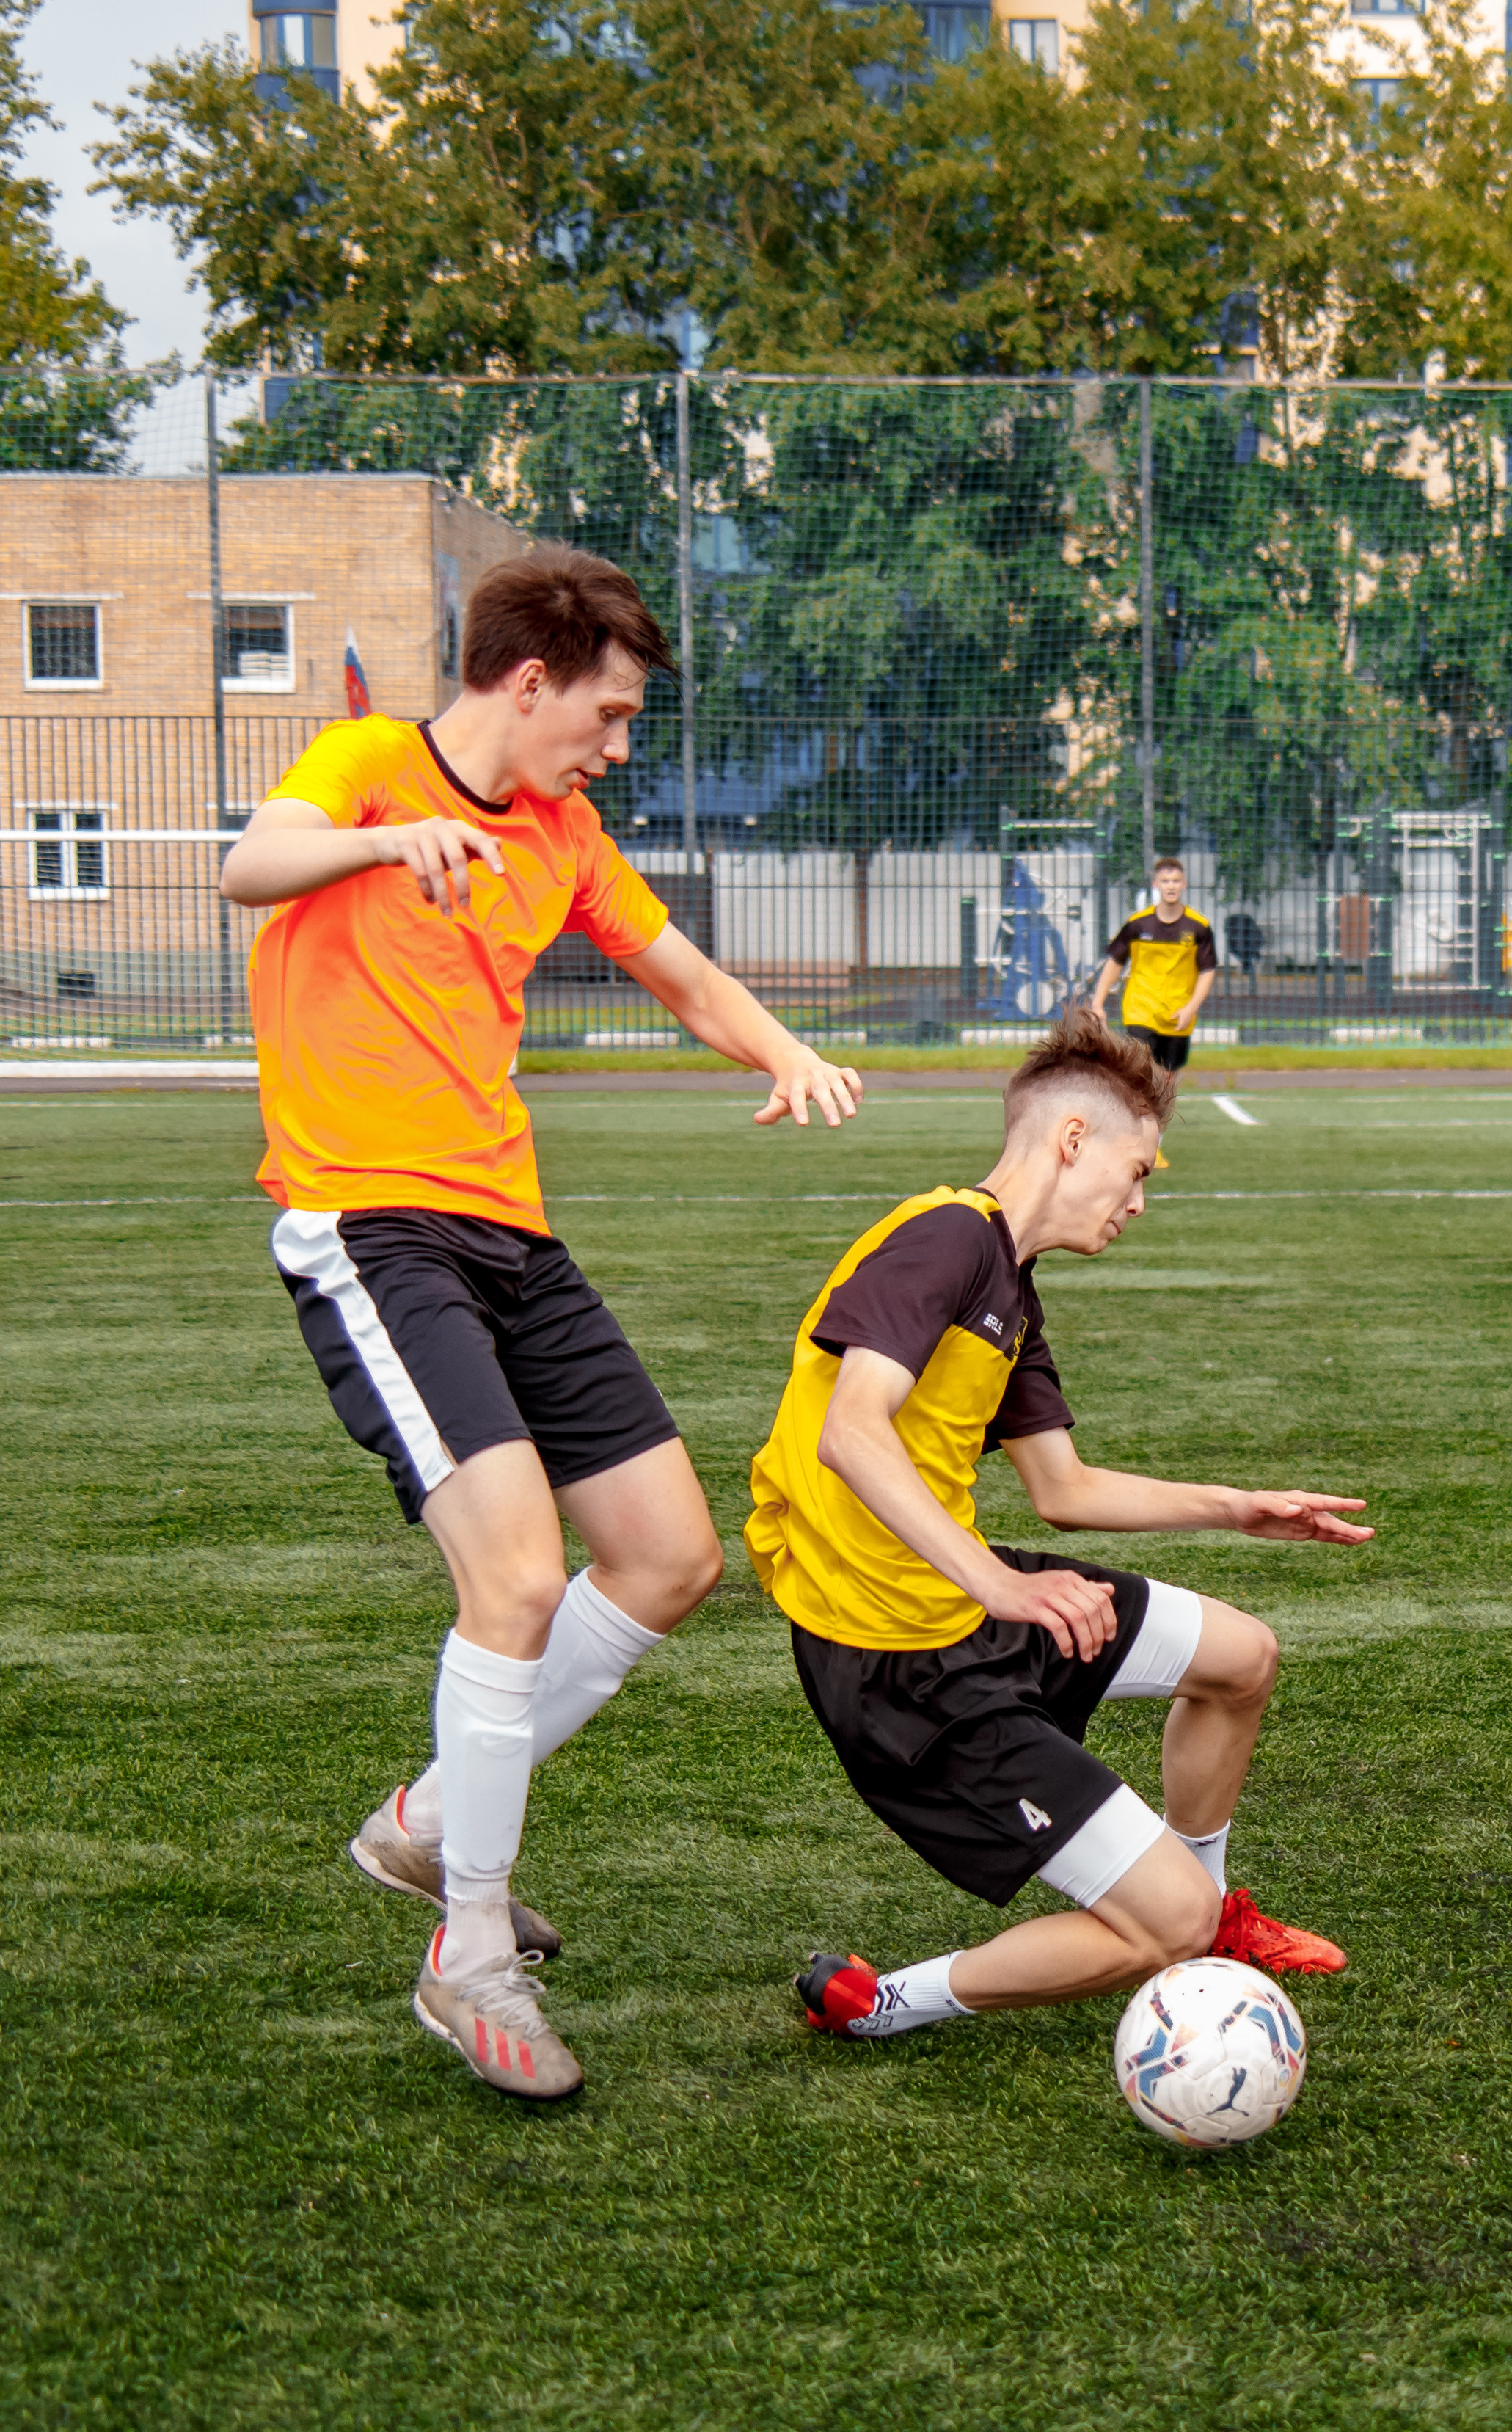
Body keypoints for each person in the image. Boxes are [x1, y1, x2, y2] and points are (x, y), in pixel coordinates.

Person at [220, 542, 863, 2103]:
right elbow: (250, 862)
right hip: (371, 1226)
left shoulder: (564, 834)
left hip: (509, 1230)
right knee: (512, 1574)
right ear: (529, 682)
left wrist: (780, 1049)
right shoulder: (371, 764)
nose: (619, 744)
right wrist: (388, 849)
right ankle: (471, 1950)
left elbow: (680, 969)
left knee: (669, 1554)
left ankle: (432, 1814)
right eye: (612, 711)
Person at [743, 1010, 1370, 2047]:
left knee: (1242, 1657)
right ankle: (883, 2002)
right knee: (1153, 1926)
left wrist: (1239, 1508)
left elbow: (1063, 1487)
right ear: (1071, 1139)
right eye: (1136, 1172)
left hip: (965, 1599)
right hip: (897, 1661)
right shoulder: (947, 1232)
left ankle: (1208, 1922)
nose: (1135, 1202)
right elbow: (850, 1434)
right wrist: (1002, 1587)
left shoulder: (1011, 1287)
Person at [1089, 856, 1217, 1074]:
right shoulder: (1138, 924)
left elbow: (1207, 971)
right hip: (1142, 1008)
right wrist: (1098, 1003)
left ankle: (1160, 1108)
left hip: (1178, 1011)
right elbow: (1115, 962)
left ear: (1184, 885)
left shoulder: (1198, 927)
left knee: (1168, 1076)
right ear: (1155, 885)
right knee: (1139, 1070)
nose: (1171, 886)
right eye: (1165, 881)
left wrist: (1191, 1007)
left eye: (1176, 881)